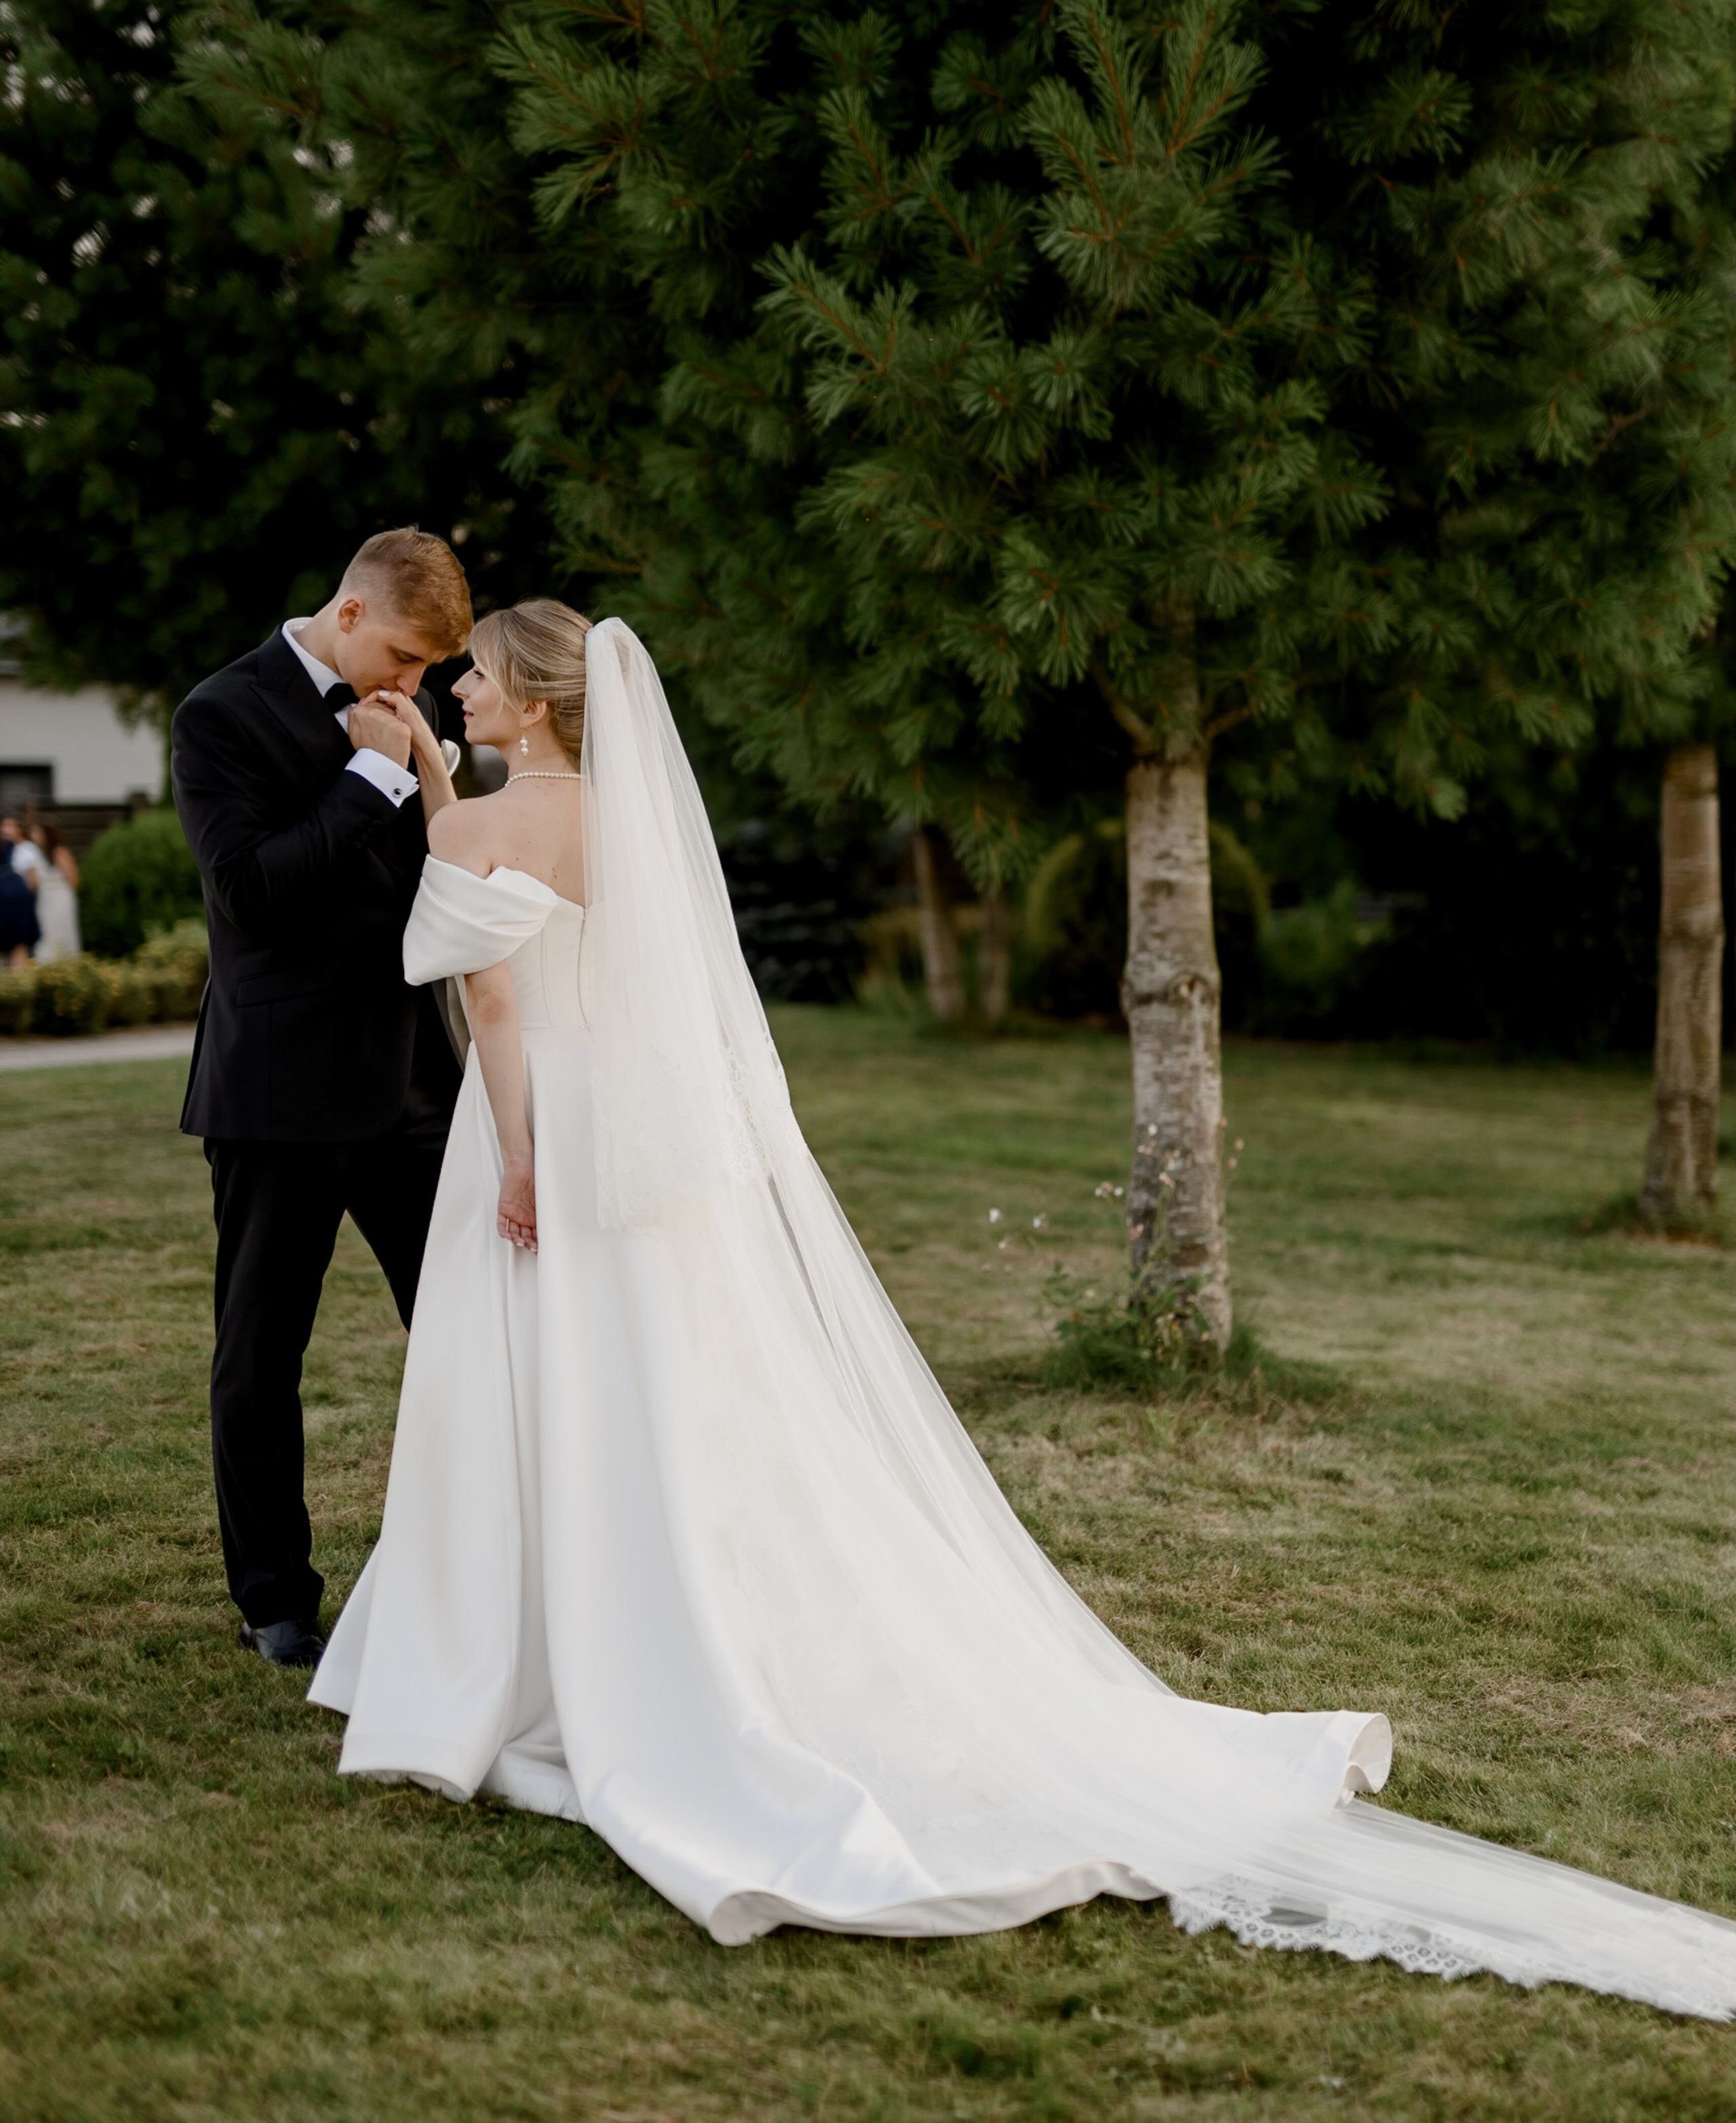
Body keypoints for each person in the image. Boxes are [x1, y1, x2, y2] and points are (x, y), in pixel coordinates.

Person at [312, 606, 1736, 2017]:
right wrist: (446, 784)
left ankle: (511, 1641)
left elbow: (494, 1012)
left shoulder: (479, 832)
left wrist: (511, 1159)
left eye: (482, 682)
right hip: (646, 1141)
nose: (461, 697)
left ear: (541, 701)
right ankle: (671, 1608)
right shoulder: (627, 820)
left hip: (549, 1128)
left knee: (539, 1384)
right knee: (666, 1386)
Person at [172, 528, 471, 1671]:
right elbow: (248, 897)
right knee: (260, 1356)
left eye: (429, 670)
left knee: (464, 1331)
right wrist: (369, 776)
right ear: (348, 614)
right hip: (276, 1093)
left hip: (413, 1087)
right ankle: (275, 1598)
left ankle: (476, 1569)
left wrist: (426, 768)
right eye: (402, 656)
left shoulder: (406, 710)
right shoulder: (220, 713)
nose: (411, 685)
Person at [24, 818, 81, 960]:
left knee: (62, 929)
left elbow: (74, 880)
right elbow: (34, 883)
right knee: (46, 930)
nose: (34, 835)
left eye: (37, 832)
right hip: (45, 899)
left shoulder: (60, 853)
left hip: (61, 897)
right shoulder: (36, 854)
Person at [0, 815, 40, 968]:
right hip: (16, 899)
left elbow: (33, 882)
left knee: (18, 945)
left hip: (17, 901)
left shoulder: (26, 849)